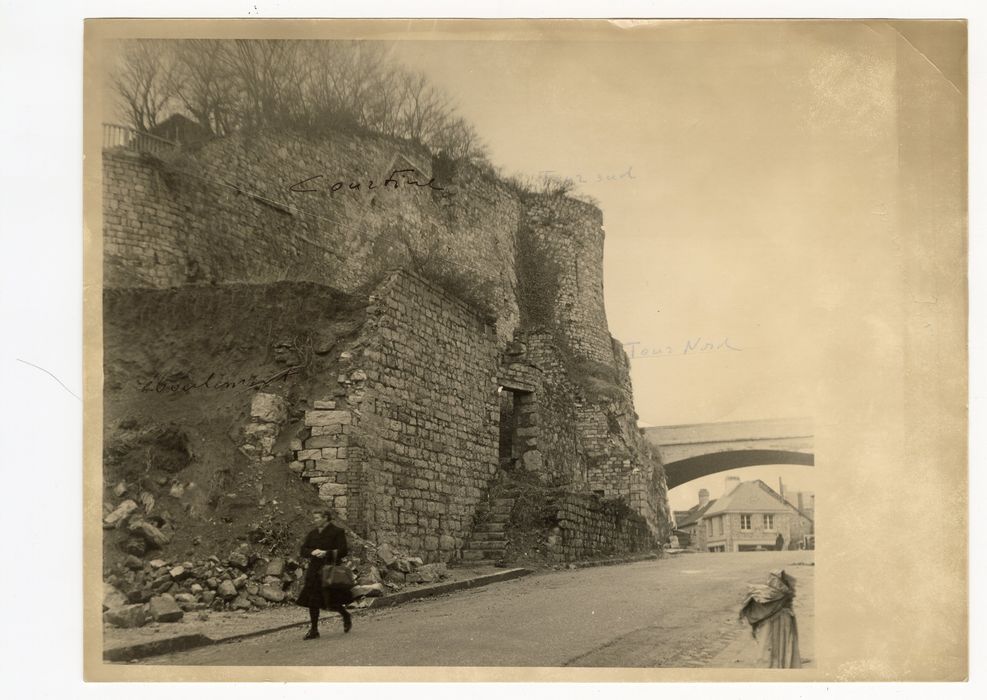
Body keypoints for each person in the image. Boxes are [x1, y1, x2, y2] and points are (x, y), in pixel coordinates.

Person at [296, 508, 353, 639]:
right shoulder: (312, 533)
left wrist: (326, 553)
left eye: (317, 518)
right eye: (314, 518)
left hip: (329, 569)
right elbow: (303, 549)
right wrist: (312, 552)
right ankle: (314, 630)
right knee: (313, 600)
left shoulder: (337, 532)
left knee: (331, 599)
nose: (314, 520)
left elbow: (343, 551)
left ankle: (345, 615)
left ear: (325, 518)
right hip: (314, 570)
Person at [738, 569, 801, 668]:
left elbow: (754, 614)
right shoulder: (782, 596)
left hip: (775, 623)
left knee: (769, 648)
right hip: (782, 621)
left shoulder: (767, 597)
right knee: (778, 648)